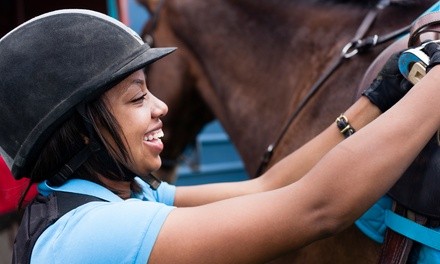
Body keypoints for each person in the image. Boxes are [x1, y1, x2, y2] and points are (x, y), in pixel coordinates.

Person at [1, 9, 439, 264]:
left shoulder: (113, 195)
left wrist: (374, 101)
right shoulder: (94, 234)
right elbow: (317, 209)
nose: (160, 107)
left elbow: (267, 186)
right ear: (80, 133)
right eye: (137, 98)